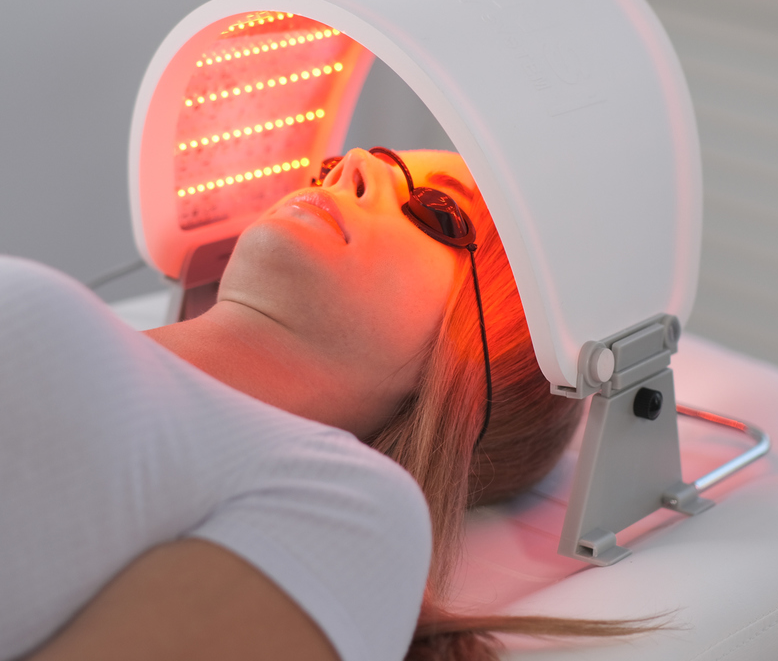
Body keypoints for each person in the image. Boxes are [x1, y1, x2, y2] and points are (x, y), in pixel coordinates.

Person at [0, 148, 654, 661]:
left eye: (434, 212)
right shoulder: (106, 335)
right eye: (329, 167)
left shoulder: (350, 508)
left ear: (472, 376)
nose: (353, 165)